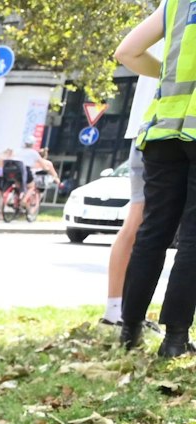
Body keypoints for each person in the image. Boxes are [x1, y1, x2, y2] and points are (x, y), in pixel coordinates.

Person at [117, 2, 196, 357]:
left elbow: (127, 52)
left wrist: (167, 71)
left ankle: (129, 329)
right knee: (194, 237)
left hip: (163, 130)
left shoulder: (178, 3)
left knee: (153, 232)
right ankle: (175, 340)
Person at [106, 71, 160, 326]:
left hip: (146, 129)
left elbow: (127, 51)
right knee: (141, 224)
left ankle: (116, 309)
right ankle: (123, 313)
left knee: (136, 221)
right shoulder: (174, 29)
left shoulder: (154, 31)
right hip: (164, 131)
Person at [19, 147, 59, 215]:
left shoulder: (32, 162)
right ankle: (31, 213)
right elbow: (54, 174)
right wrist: (57, 180)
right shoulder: (47, 163)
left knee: (26, 190)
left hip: (28, 179)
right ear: (45, 155)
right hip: (40, 183)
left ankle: (23, 203)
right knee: (38, 197)